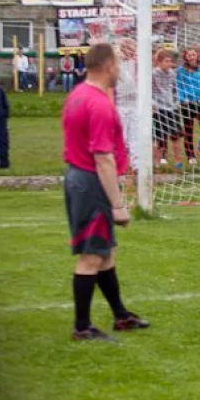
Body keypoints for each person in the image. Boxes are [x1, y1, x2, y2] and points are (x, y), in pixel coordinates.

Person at [61, 43, 149, 341]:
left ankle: (120, 316)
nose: (120, 70)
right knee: (91, 257)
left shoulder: (77, 96)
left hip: (80, 178)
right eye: (119, 64)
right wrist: (118, 204)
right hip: (90, 182)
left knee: (105, 253)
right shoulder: (97, 103)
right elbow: (103, 157)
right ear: (109, 65)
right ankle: (82, 326)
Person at [176, 47, 200, 166]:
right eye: (189, 55)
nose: (191, 57)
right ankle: (190, 156)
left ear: (197, 55)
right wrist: (183, 99)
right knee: (188, 130)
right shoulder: (181, 70)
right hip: (187, 103)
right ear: (185, 57)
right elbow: (179, 86)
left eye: (193, 54)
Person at [152, 49, 184, 169]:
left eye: (170, 61)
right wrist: (153, 104)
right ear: (159, 62)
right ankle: (157, 162)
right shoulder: (153, 74)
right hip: (159, 109)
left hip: (172, 108)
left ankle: (178, 162)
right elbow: (150, 91)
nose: (169, 64)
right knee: (160, 137)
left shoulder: (172, 73)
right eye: (166, 61)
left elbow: (175, 89)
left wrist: (176, 102)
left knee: (176, 136)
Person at [115, 39, 138, 172]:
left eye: (133, 47)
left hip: (136, 104)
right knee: (121, 136)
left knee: (135, 136)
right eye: (128, 47)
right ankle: (120, 164)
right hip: (121, 104)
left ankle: (136, 166)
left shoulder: (138, 63)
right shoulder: (116, 63)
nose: (131, 50)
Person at [0, 82, 8, 169]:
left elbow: (6, 105)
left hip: (1, 119)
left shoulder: (0, 90)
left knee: (2, 141)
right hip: (1, 118)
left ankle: (4, 163)